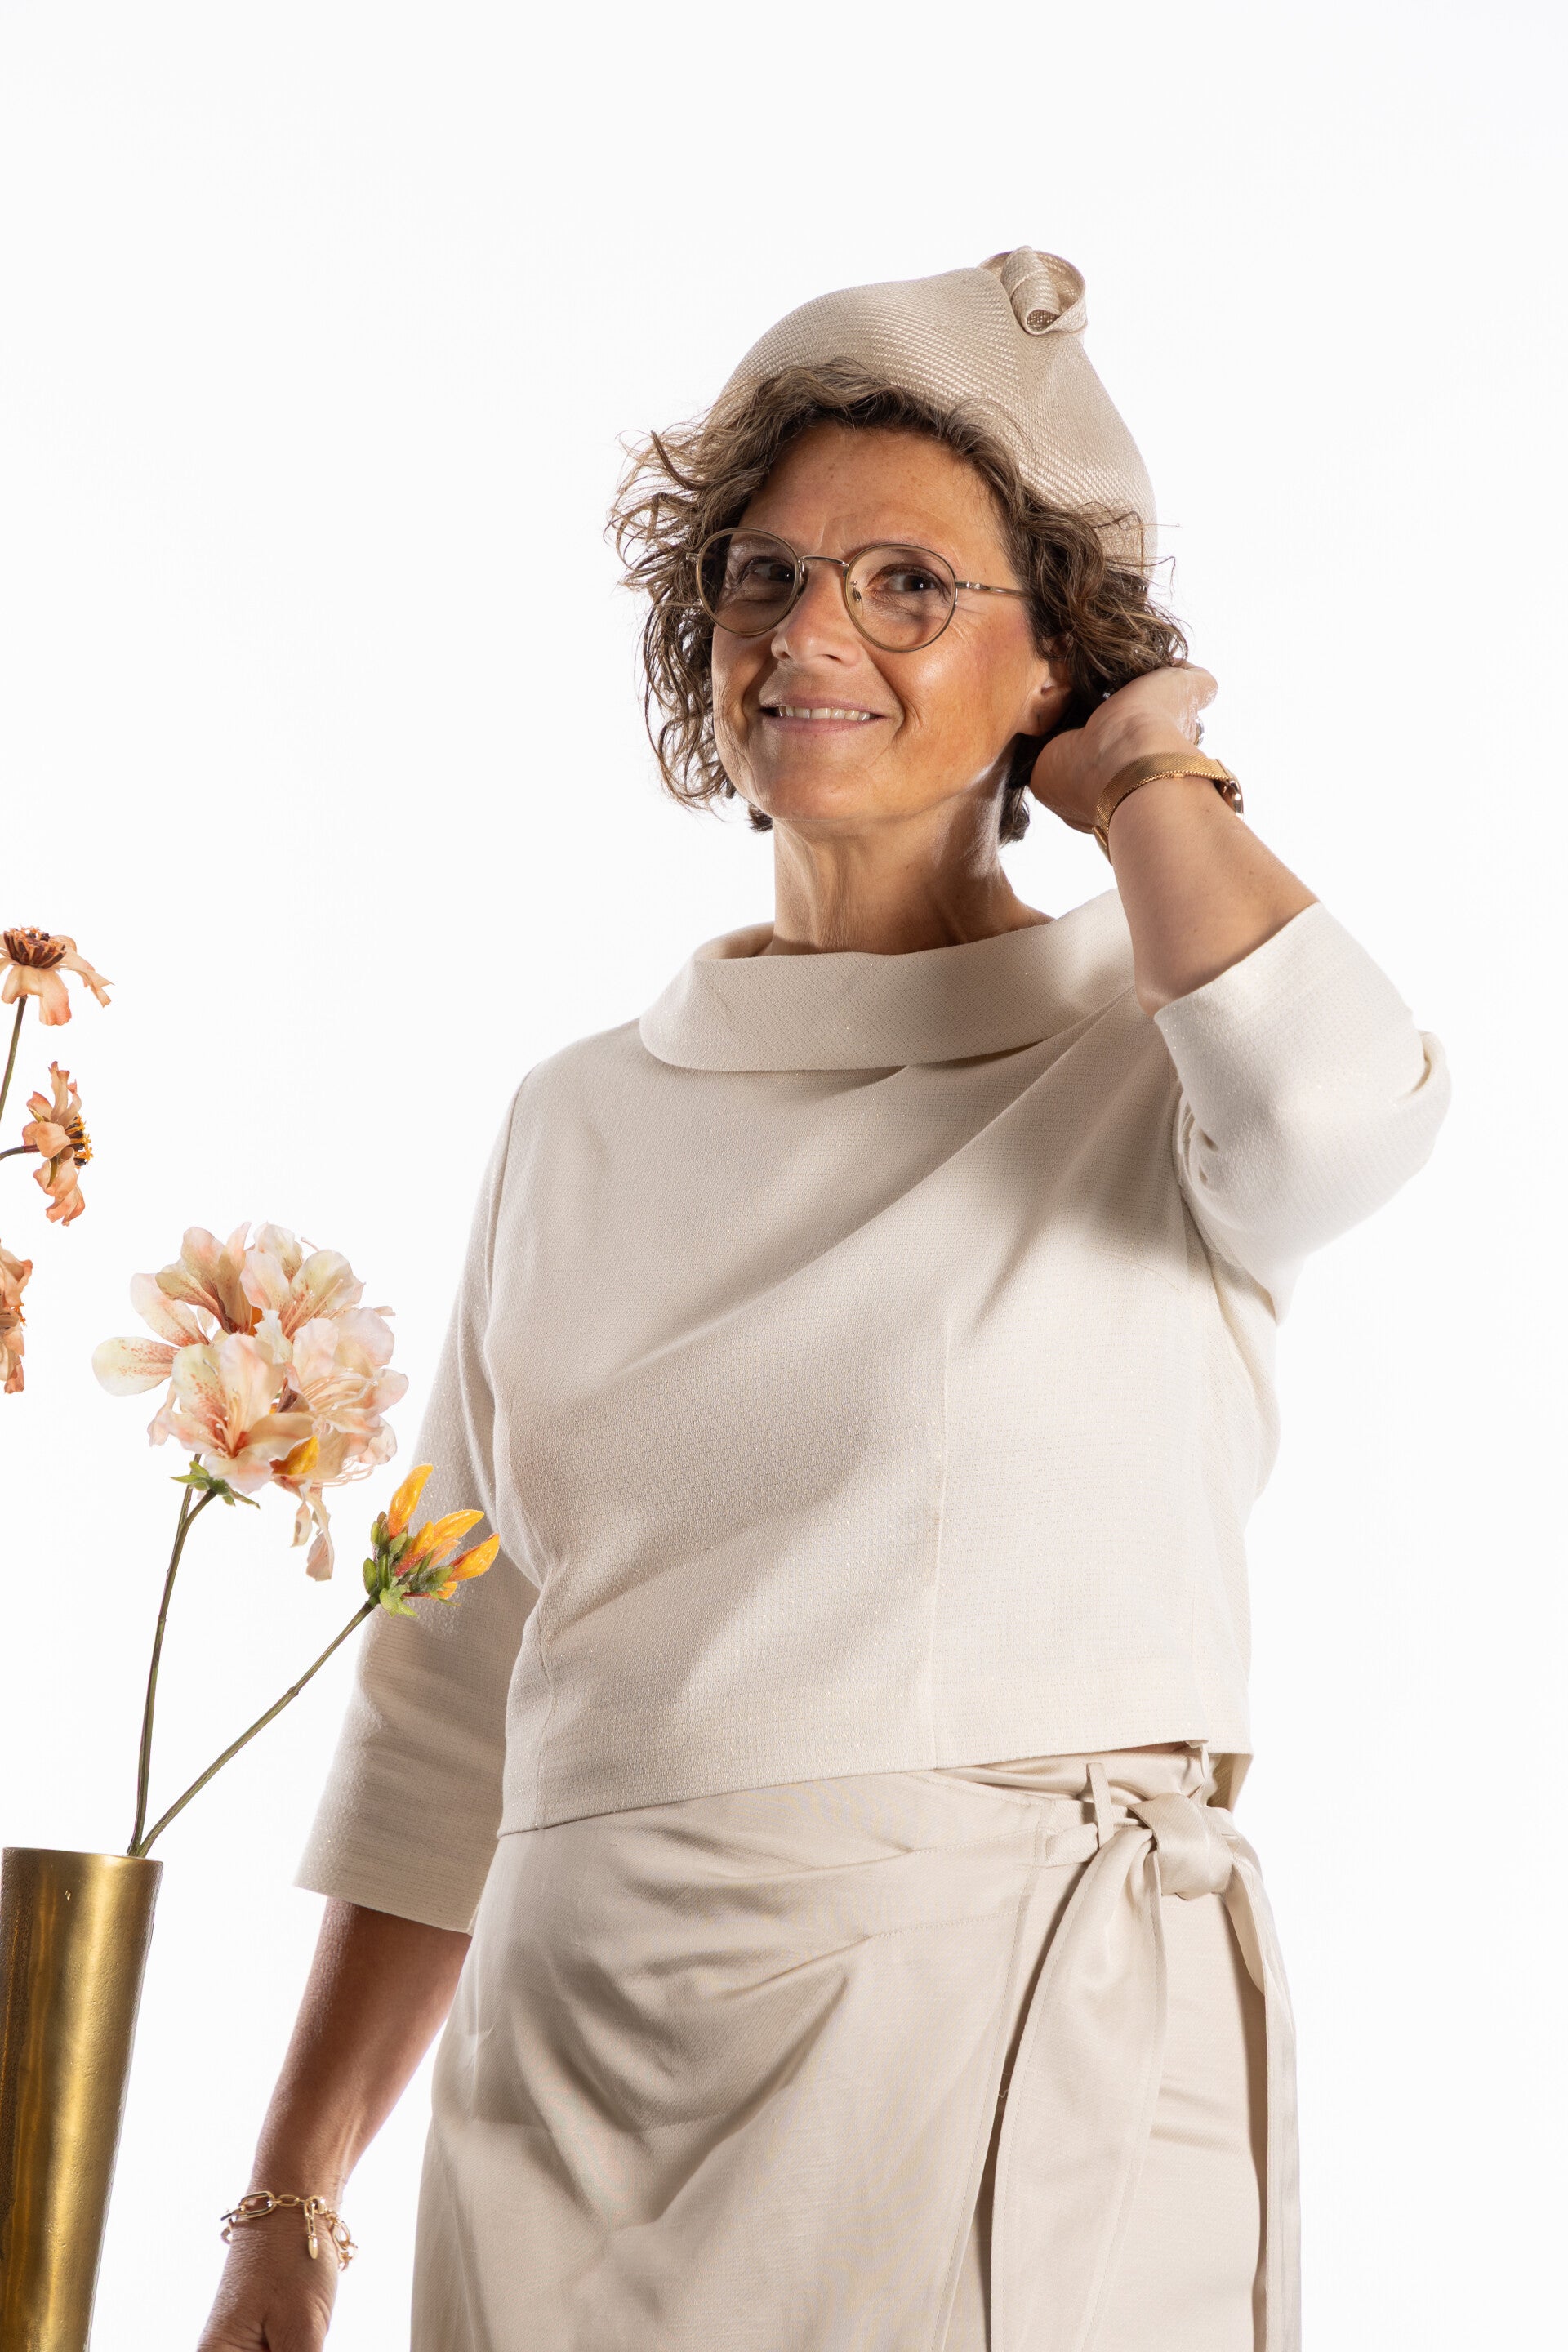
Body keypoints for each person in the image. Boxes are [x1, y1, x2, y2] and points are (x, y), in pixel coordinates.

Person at [197, 247, 1449, 2352]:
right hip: (566, 2111)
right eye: (764, 578)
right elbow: (445, 1690)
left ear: (1057, 664)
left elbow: (1345, 1111)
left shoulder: (1160, 1070)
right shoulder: (576, 1122)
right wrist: (289, 2201)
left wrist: (1153, 779)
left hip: (994, 2075)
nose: (810, 635)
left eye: (908, 587)